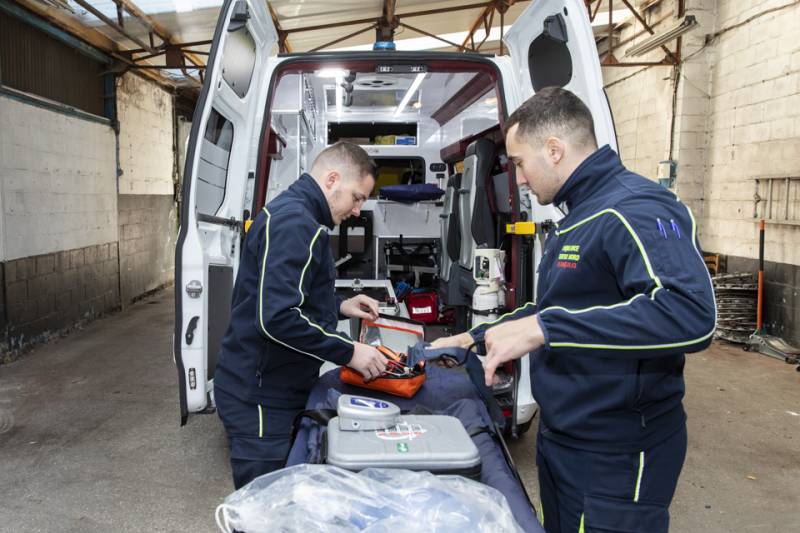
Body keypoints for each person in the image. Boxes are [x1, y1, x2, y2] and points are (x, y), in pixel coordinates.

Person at [432, 87, 715, 532]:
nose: (519, 180)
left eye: (520, 164)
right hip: (566, 437)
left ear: (555, 150)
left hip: (616, 451)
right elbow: (555, 306)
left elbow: (690, 314)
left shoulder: (634, 208)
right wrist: (476, 336)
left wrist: (545, 329)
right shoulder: (581, 214)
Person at [213, 141, 389, 489]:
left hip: (271, 385)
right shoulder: (297, 224)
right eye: (357, 197)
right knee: (265, 506)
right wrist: (349, 352)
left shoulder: (298, 215)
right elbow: (276, 318)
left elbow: (289, 293)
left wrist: (340, 305)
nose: (357, 210)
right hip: (261, 397)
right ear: (332, 179)